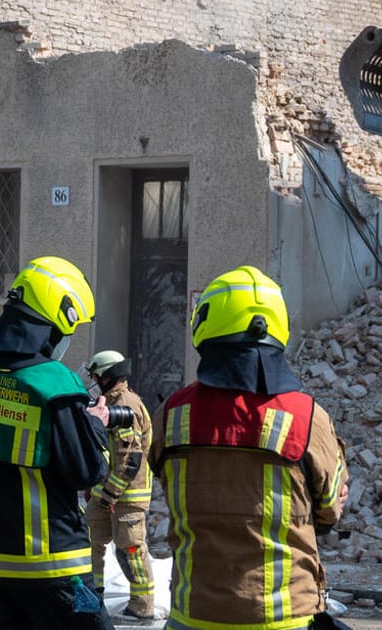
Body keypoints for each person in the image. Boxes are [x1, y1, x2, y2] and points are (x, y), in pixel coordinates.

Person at [148, 266, 350, 630]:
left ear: (204, 326)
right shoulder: (306, 417)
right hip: (282, 618)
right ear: (278, 328)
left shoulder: (172, 414)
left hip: (193, 614)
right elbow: (329, 510)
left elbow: (162, 480)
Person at [0, 256, 119, 630]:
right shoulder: (54, 383)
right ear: (56, 322)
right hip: (55, 570)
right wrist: (96, 425)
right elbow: (88, 471)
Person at [81, 350, 155, 622]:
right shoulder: (108, 402)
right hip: (105, 493)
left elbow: (130, 458)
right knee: (90, 543)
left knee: (131, 549)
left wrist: (110, 493)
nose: (93, 381)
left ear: (107, 376)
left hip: (126, 495)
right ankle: (92, 597)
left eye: (96, 376)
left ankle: (142, 605)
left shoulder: (127, 405)